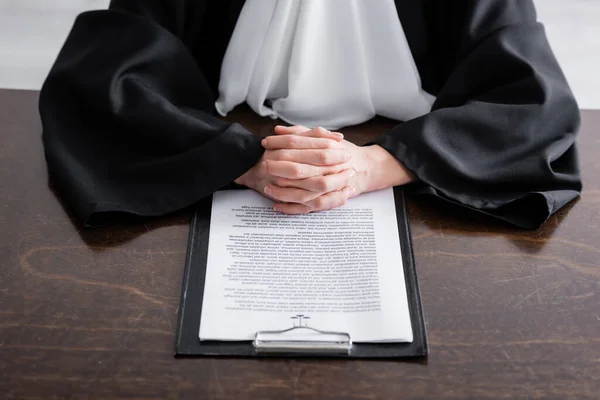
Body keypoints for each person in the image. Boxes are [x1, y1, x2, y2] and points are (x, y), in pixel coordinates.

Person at [39, 0, 582, 229]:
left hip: (399, 161)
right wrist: (241, 160)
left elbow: (534, 99)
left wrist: (372, 167)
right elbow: (105, 78)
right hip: (237, 144)